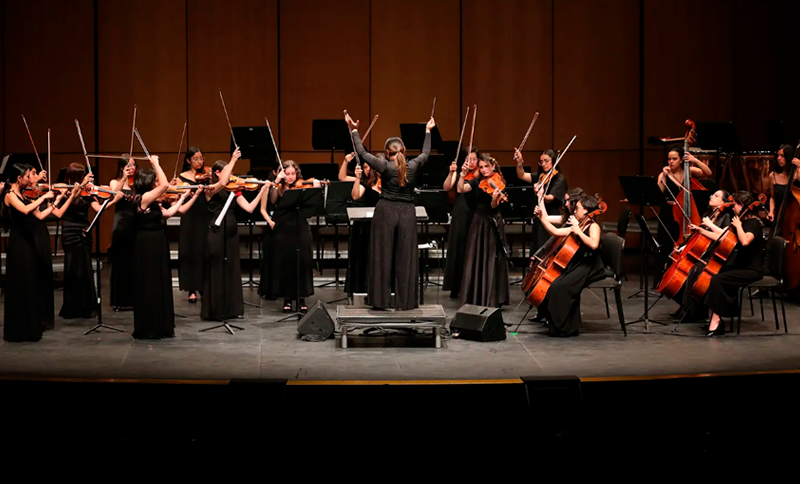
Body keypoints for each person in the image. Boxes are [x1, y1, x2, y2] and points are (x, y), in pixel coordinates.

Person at [346, 111, 435, 310]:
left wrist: (354, 130)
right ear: (403, 150)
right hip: (407, 213)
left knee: (381, 255)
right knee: (406, 257)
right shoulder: (412, 165)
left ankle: (380, 301)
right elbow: (426, 153)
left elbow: (361, 152)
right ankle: (406, 302)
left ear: (388, 152)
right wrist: (427, 131)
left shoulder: (384, 166)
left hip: (385, 210)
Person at [132, 155, 203, 339]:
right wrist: (156, 163)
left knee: (159, 282)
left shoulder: (153, 202)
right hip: (146, 244)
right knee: (149, 284)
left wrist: (188, 196)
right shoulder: (143, 198)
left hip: (157, 243)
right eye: (154, 180)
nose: (157, 183)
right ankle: (149, 326)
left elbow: (170, 213)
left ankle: (160, 324)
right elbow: (164, 185)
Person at [202, 150, 267, 320]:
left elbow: (250, 208)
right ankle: (215, 311)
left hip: (231, 233)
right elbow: (222, 183)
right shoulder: (210, 189)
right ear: (217, 173)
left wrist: (262, 189)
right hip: (216, 232)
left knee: (231, 269)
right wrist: (233, 159)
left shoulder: (234, 190)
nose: (231, 176)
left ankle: (231, 309)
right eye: (228, 172)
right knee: (217, 270)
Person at [531, 194, 605, 337]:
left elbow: (594, 244)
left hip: (590, 265)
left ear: (586, 210)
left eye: (577, 208)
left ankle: (566, 328)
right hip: (578, 263)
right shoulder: (580, 224)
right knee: (554, 286)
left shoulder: (593, 226)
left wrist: (578, 232)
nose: (574, 211)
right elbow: (556, 232)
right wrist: (541, 218)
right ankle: (560, 325)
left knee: (561, 288)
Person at [59, 163, 124, 319]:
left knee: (84, 268)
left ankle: (86, 306)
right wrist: (80, 186)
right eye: (82, 177)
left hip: (85, 231)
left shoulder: (88, 192)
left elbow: (97, 209)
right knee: (73, 268)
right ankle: (72, 308)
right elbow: (67, 206)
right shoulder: (65, 190)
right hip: (70, 231)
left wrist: (114, 201)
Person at [2, 165, 55, 341]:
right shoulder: (10, 195)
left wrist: (54, 202)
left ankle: (30, 327)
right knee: (20, 284)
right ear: (19, 178)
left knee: (29, 284)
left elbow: (39, 216)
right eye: (27, 176)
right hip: (19, 244)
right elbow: (25, 210)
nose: (29, 180)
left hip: (29, 242)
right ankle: (18, 330)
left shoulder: (23, 194)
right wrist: (45, 196)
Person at [26, 166, 82, 330]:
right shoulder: (27, 196)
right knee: (35, 277)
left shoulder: (40, 194)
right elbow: (40, 215)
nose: (39, 176)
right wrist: (46, 197)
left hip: (42, 235)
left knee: (45, 277)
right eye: (33, 174)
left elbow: (57, 214)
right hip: (32, 236)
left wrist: (66, 197)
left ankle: (45, 318)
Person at [703, 191, 764, 336]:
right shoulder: (743, 222)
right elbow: (723, 236)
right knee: (714, 274)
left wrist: (738, 226)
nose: (733, 208)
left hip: (752, 269)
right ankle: (713, 318)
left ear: (742, 205)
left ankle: (716, 322)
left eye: (735, 204)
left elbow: (745, 241)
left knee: (719, 280)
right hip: (742, 265)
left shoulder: (754, 223)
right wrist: (701, 229)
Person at [666, 189, 732, 323]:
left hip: (714, 257)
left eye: (716, 196)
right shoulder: (709, 214)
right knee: (671, 263)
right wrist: (685, 247)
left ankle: (692, 311)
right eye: (713, 194)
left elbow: (722, 238)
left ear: (724, 202)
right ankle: (685, 306)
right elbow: (700, 239)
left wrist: (707, 226)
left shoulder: (726, 218)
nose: (712, 196)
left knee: (693, 270)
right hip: (703, 253)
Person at [455, 153, 510, 308]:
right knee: (475, 257)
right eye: (481, 167)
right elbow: (460, 189)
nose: (484, 170)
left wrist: (494, 198)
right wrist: (462, 174)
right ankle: (475, 295)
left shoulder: (499, 182)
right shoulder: (477, 181)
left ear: (493, 166)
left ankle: (491, 296)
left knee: (491, 259)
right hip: (478, 221)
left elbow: (494, 207)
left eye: (487, 166)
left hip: (492, 223)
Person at [267, 160, 320, 313]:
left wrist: (315, 190)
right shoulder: (279, 187)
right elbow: (272, 200)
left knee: (302, 263)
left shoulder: (302, 187)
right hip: (283, 230)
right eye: (287, 174)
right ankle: (287, 299)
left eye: (293, 174)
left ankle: (302, 298)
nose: (290, 177)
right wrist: (277, 181)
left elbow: (312, 205)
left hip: (301, 228)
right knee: (286, 265)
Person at [655, 147, 713, 275]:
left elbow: (708, 173)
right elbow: (659, 194)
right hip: (669, 213)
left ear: (681, 159)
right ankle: (663, 275)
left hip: (685, 212)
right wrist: (664, 176)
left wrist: (694, 160)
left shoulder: (689, 171)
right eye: (669, 159)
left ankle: (683, 272)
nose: (671, 162)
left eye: (674, 159)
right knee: (666, 244)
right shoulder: (664, 174)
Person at [514, 148, 567, 253]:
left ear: (553, 160)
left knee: (546, 249)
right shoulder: (541, 176)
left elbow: (550, 199)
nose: (543, 164)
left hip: (551, 218)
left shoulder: (559, 179)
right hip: (539, 217)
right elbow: (521, 175)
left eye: (546, 161)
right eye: (541, 161)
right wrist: (519, 163)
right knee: (536, 248)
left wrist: (541, 193)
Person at [443, 148, 479, 299]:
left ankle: (473, 285)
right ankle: (456, 286)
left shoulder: (480, 174)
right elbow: (446, 187)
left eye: (474, 159)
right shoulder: (461, 174)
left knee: (472, 248)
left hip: (475, 212)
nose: (471, 162)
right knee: (459, 247)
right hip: (461, 212)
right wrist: (452, 173)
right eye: (468, 160)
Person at [176, 147, 211, 303]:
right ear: (188, 160)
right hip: (190, 216)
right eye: (196, 159)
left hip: (205, 215)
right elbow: (178, 198)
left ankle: (204, 287)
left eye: (201, 158)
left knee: (204, 250)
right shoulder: (181, 177)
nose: (200, 162)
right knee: (190, 250)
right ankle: (191, 289)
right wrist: (183, 192)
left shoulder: (207, 175)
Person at [345, 159, 382, 296]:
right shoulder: (367, 183)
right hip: (367, 226)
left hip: (383, 225)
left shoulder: (390, 183)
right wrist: (357, 178)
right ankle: (363, 289)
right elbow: (355, 195)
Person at [108, 156, 137, 311]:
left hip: (135, 224)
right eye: (128, 165)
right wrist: (124, 178)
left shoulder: (137, 184)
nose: (131, 168)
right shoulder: (115, 181)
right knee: (120, 261)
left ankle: (133, 299)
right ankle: (119, 300)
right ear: (121, 167)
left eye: (133, 165)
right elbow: (112, 193)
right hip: (121, 224)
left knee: (133, 260)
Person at [768, 144, 796, 223]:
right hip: (779, 216)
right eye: (778, 155)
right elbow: (772, 198)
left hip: (795, 216)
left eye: (782, 156)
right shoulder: (773, 175)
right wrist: (771, 212)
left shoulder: (796, 174)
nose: (778, 158)